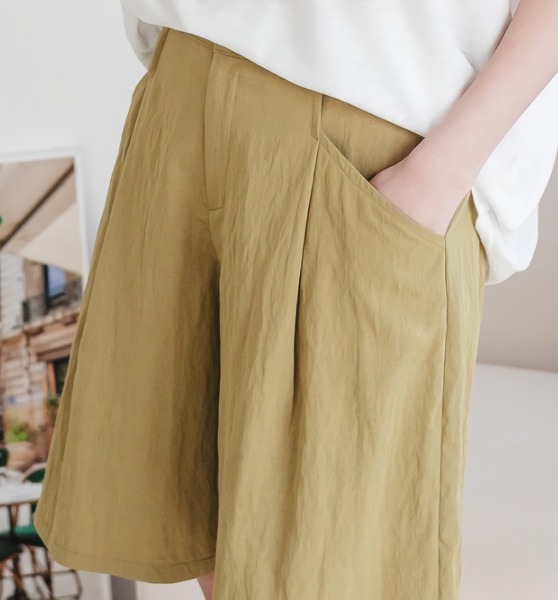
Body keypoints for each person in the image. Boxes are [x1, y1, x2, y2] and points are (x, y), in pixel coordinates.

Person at [33, 1, 558, 599]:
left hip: (367, 132)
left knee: (321, 566)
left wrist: (442, 171)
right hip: (182, 88)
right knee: (191, 508)